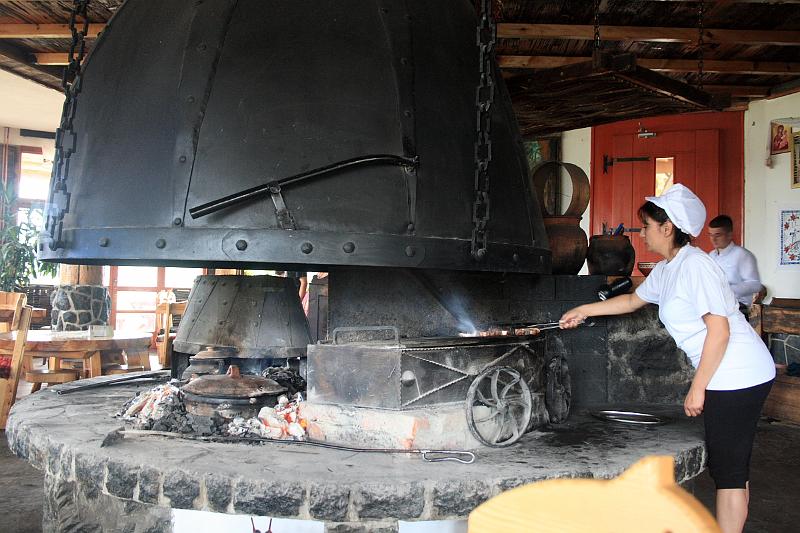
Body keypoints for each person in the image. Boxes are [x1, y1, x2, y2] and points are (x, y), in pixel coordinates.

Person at [560, 184, 775, 533]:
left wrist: (698, 388)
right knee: (732, 465)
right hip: (729, 371)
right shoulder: (668, 269)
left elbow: (719, 332)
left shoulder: (696, 267)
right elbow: (631, 302)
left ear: (667, 227)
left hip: (738, 374)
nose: (641, 234)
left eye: (645, 226)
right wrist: (584, 310)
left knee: (729, 472)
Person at [707, 215, 762, 316]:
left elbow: (755, 284)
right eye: (710, 235)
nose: (713, 239)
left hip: (738, 308)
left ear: (729, 235)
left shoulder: (742, 255)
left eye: (718, 235)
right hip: (714, 306)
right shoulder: (711, 256)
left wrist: (727, 290)